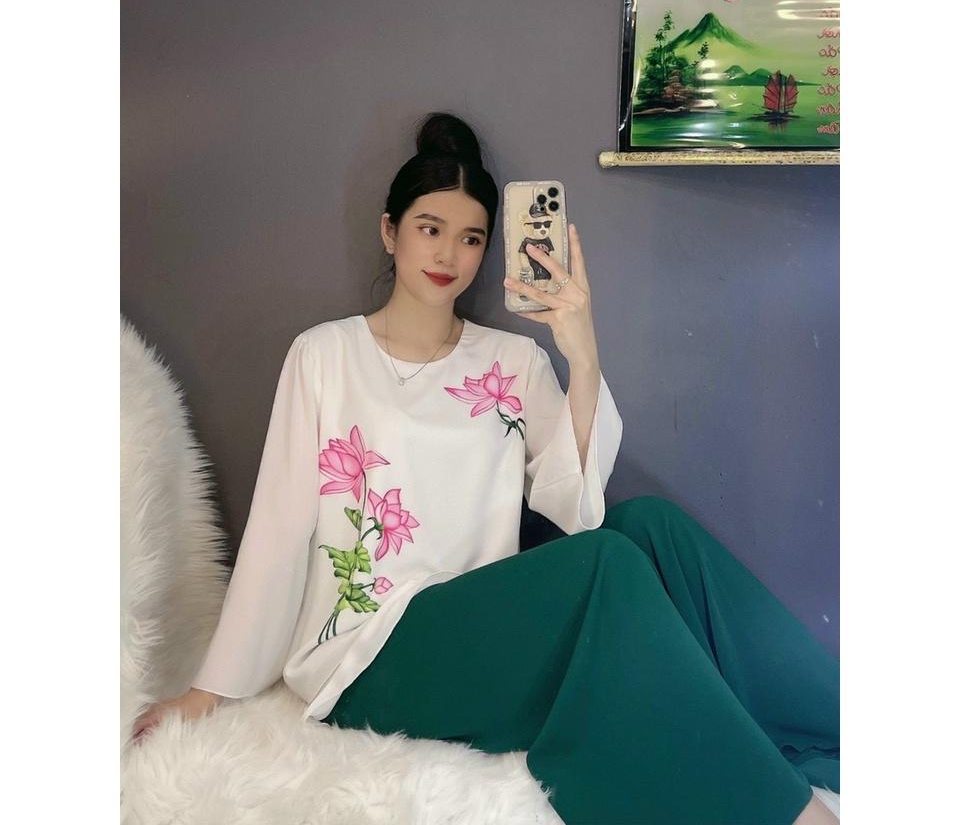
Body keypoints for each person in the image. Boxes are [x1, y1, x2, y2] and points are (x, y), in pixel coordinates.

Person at [132, 113, 840, 825]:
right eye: (430, 228)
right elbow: (281, 527)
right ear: (390, 232)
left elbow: (576, 504)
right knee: (605, 565)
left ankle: (833, 728)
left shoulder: (512, 361)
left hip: (482, 631)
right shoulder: (324, 356)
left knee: (648, 528)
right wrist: (209, 691)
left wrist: (582, 352)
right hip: (369, 656)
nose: (449, 253)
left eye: (471, 237)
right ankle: (786, 813)